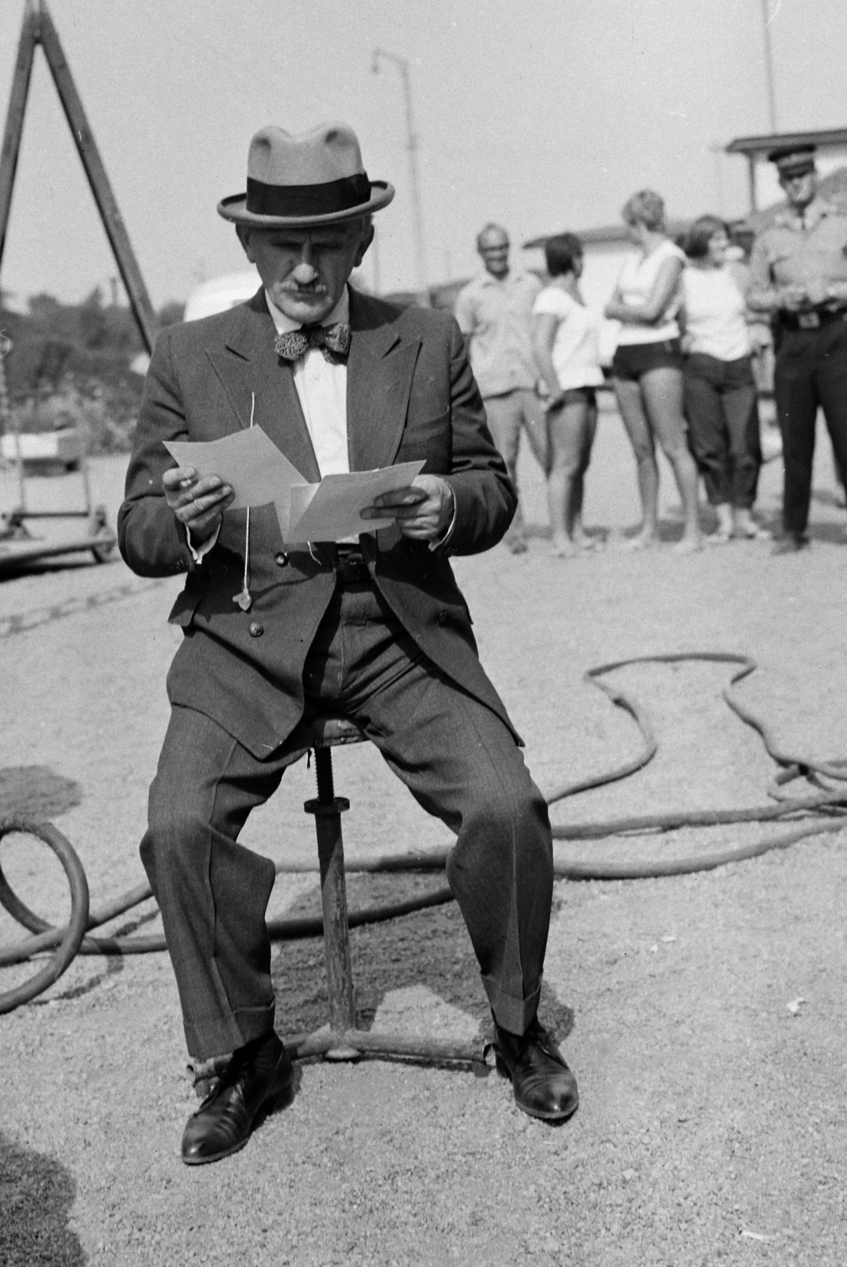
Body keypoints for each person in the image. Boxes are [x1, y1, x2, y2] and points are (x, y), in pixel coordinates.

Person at [118, 122, 576, 1167]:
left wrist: (444, 504)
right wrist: (186, 513)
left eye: (329, 240)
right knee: (177, 824)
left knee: (506, 804)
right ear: (251, 249)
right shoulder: (190, 356)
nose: (308, 265)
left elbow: (494, 490)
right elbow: (137, 530)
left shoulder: (425, 337)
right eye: (286, 244)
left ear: (361, 240)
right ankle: (241, 1054)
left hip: (396, 624)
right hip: (247, 631)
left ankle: (515, 1024)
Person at [745, 143, 847, 552]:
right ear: (781, 183)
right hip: (793, 339)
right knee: (795, 438)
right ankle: (793, 528)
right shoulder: (768, 235)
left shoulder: (845, 226)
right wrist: (780, 299)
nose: (795, 185)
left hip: (836, 334)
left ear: (814, 176)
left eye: (802, 176)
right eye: (788, 179)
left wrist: (834, 291)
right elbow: (754, 294)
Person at [603, 189, 703, 551]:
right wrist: (631, 310)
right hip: (625, 353)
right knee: (641, 448)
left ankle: (693, 530)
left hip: (658, 353)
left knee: (673, 444)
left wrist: (623, 310)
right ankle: (649, 527)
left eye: (628, 224)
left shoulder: (671, 256)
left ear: (638, 222)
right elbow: (615, 306)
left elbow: (652, 310)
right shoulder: (632, 259)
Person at [453, 224, 545, 552]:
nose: (498, 254)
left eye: (503, 247)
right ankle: (515, 535)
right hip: (494, 392)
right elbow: (460, 348)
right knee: (505, 464)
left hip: (532, 385)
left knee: (553, 458)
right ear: (481, 253)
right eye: (491, 249)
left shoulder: (531, 284)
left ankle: (565, 528)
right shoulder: (470, 295)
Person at [678, 215, 764, 540]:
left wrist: (759, 330)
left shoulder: (737, 274)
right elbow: (672, 316)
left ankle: (745, 515)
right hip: (701, 364)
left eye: (724, 238)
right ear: (700, 241)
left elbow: (757, 310)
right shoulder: (682, 278)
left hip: (738, 364)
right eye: (715, 238)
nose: (723, 244)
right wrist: (681, 340)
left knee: (745, 445)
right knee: (709, 446)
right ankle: (724, 518)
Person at [529, 233, 602, 555]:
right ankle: (560, 537)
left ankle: (577, 530)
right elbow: (540, 346)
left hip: (587, 385)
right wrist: (554, 388)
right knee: (564, 465)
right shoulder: (551, 298)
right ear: (572, 259)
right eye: (580, 255)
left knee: (580, 465)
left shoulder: (575, 296)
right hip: (567, 389)